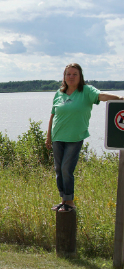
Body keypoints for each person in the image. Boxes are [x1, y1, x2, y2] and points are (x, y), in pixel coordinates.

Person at [47, 63, 124, 213]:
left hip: (75, 137)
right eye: (68, 74)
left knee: (66, 168)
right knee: (58, 170)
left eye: (74, 74)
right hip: (58, 136)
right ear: (64, 77)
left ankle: (70, 202)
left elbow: (101, 96)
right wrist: (48, 136)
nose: (71, 77)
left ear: (80, 76)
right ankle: (64, 200)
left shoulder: (86, 91)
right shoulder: (59, 93)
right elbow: (53, 115)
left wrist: (120, 97)